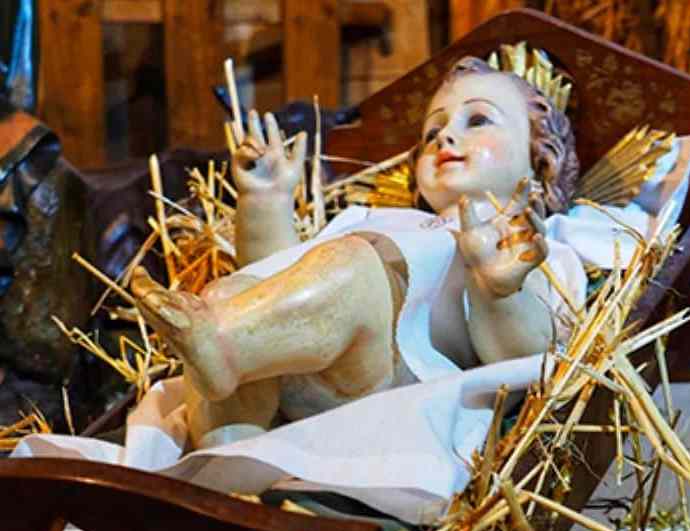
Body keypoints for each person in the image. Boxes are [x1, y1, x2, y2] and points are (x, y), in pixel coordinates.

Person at [131, 56, 587, 449]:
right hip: (301, 369)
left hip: (395, 383)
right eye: (432, 131)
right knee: (232, 292)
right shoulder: (373, 219)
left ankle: (222, 345)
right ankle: (226, 457)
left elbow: (529, 359)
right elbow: (274, 277)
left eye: (478, 120)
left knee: (351, 267)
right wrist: (265, 202)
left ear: (539, 160)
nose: (445, 137)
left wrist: (500, 293)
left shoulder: (532, 244)